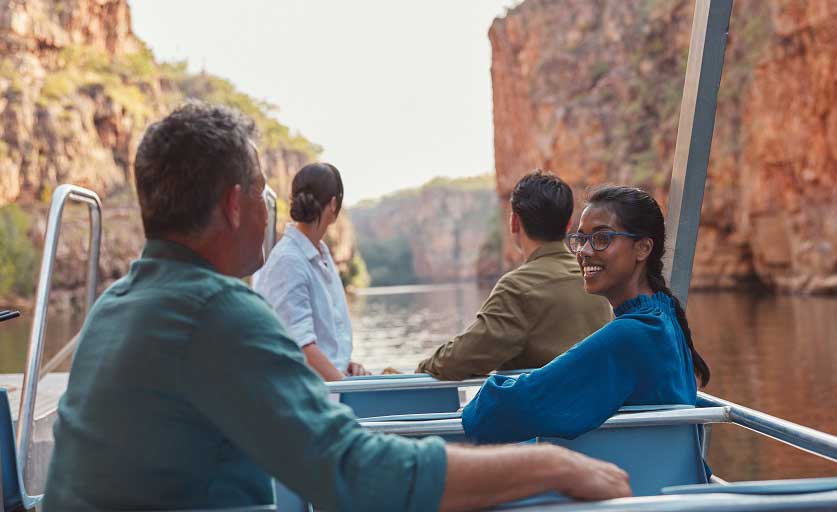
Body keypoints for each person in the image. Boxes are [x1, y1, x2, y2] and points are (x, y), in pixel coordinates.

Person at [43, 102, 631, 511]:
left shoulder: (114, 307)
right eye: (260, 191)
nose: (269, 207)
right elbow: (357, 477)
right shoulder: (218, 316)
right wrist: (551, 464)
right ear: (233, 205)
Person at [462, 185, 711, 444]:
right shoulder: (664, 315)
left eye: (602, 238)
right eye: (581, 239)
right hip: (663, 478)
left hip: (635, 482)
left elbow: (504, 410)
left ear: (643, 248)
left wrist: (475, 403)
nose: (584, 251)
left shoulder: (630, 336)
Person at [417, 171, 613, 380]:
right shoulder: (595, 279)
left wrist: (423, 367)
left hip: (546, 408)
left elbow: (458, 360)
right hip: (598, 406)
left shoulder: (518, 288)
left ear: (514, 222)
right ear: (568, 225)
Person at [254, 162, 368, 381]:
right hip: (312, 399)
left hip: (330, 388)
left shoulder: (321, 256)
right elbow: (301, 348)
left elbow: (320, 345)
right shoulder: (289, 261)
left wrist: (344, 364)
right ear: (333, 205)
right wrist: (345, 385)